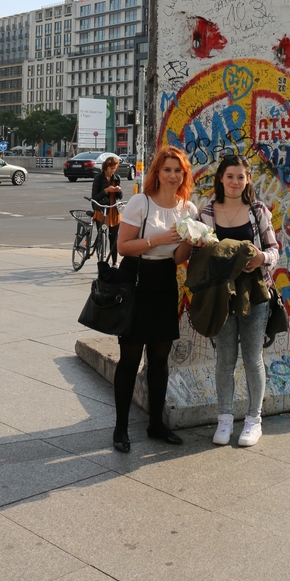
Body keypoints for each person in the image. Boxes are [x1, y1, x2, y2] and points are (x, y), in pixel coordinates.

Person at [113, 145, 198, 453]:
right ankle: (121, 428)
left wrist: (192, 242)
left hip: (164, 279)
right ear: (157, 173)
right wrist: (155, 240)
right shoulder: (142, 202)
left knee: (161, 358)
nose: (173, 176)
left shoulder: (187, 209)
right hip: (137, 279)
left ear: (184, 175)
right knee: (130, 358)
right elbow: (123, 247)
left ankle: (156, 424)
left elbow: (177, 258)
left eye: (178, 171)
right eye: (167, 170)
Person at [198, 155, 279, 447]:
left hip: (254, 293)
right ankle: (224, 418)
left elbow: (274, 250)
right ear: (221, 178)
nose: (235, 182)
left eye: (240, 177)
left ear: (248, 180)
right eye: (230, 176)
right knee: (224, 359)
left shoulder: (258, 210)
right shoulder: (206, 213)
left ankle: (254, 420)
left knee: (253, 358)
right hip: (220, 294)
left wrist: (261, 258)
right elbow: (199, 255)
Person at [91, 156, 122, 265]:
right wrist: (106, 191)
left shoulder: (116, 178)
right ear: (106, 167)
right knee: (101, 237)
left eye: (115, 168)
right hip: (101, 210)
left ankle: (115, 262)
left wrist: (119, 190)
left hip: (114, 210)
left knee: (114, 238)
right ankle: (101, 262)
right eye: (111, 168)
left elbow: (120, 197)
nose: (113, 170)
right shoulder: (98, 178)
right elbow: (94, 197)